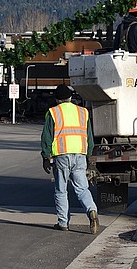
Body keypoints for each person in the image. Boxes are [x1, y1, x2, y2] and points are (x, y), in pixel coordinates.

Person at [40, 84, 99, 233]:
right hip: (80, 155)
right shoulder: (83, 112)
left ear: (57, 99)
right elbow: (89, 137)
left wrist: (46, 156)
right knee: (82, 189)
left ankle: (63, 223)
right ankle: (91, 210)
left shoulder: (53, 112)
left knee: (61, 190)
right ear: (70, 97)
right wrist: (89, 155)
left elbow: (47, 136)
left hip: (61, 155)